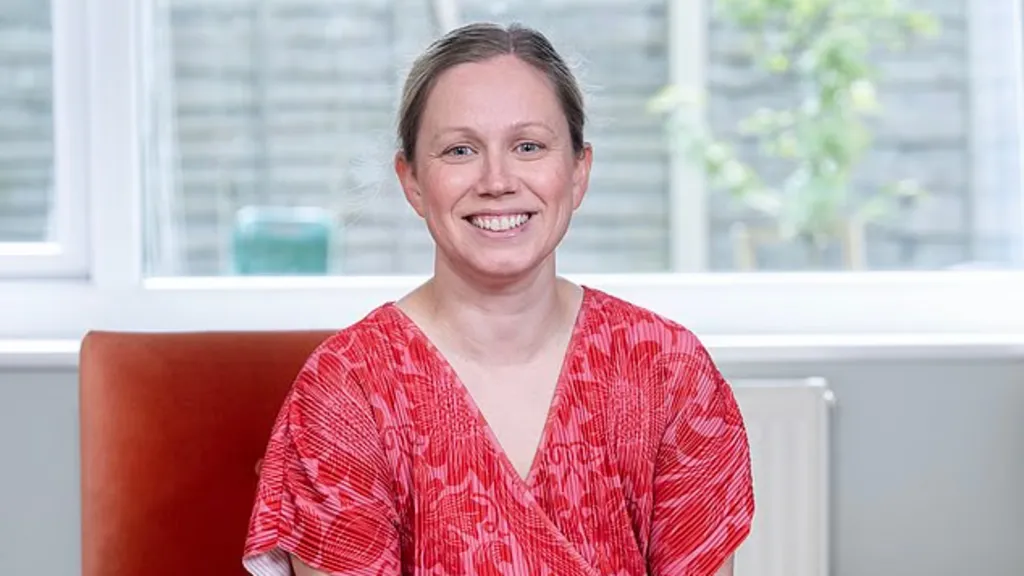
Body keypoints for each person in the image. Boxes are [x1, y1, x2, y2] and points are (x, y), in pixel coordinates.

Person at [242, 21, 754, 576]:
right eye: (460, 150)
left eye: (528, 146)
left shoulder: (668, 370)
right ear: (411, 180)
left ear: (578, 172)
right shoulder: (347, 391)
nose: (497, 180)